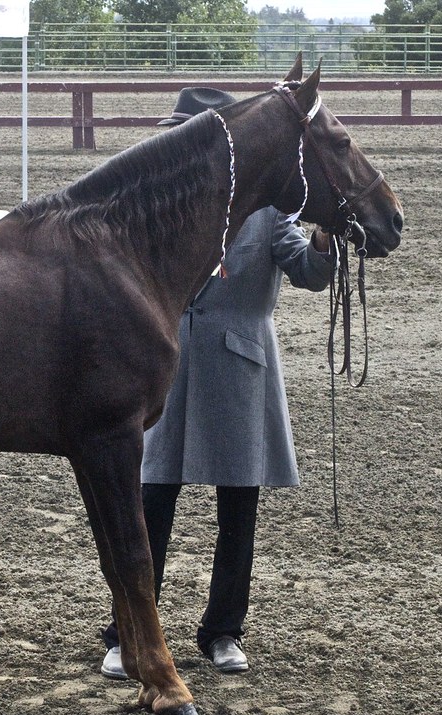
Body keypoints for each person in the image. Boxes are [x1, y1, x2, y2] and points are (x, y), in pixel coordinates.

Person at [100, 87, 336, 679]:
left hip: (238, 362)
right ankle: (126, 628)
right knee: (150, 501)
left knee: (239, 507)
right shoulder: (158, 205)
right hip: (168, 359)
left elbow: (307, 273)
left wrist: (326, 237)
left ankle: (224, 630)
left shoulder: (268, 210)